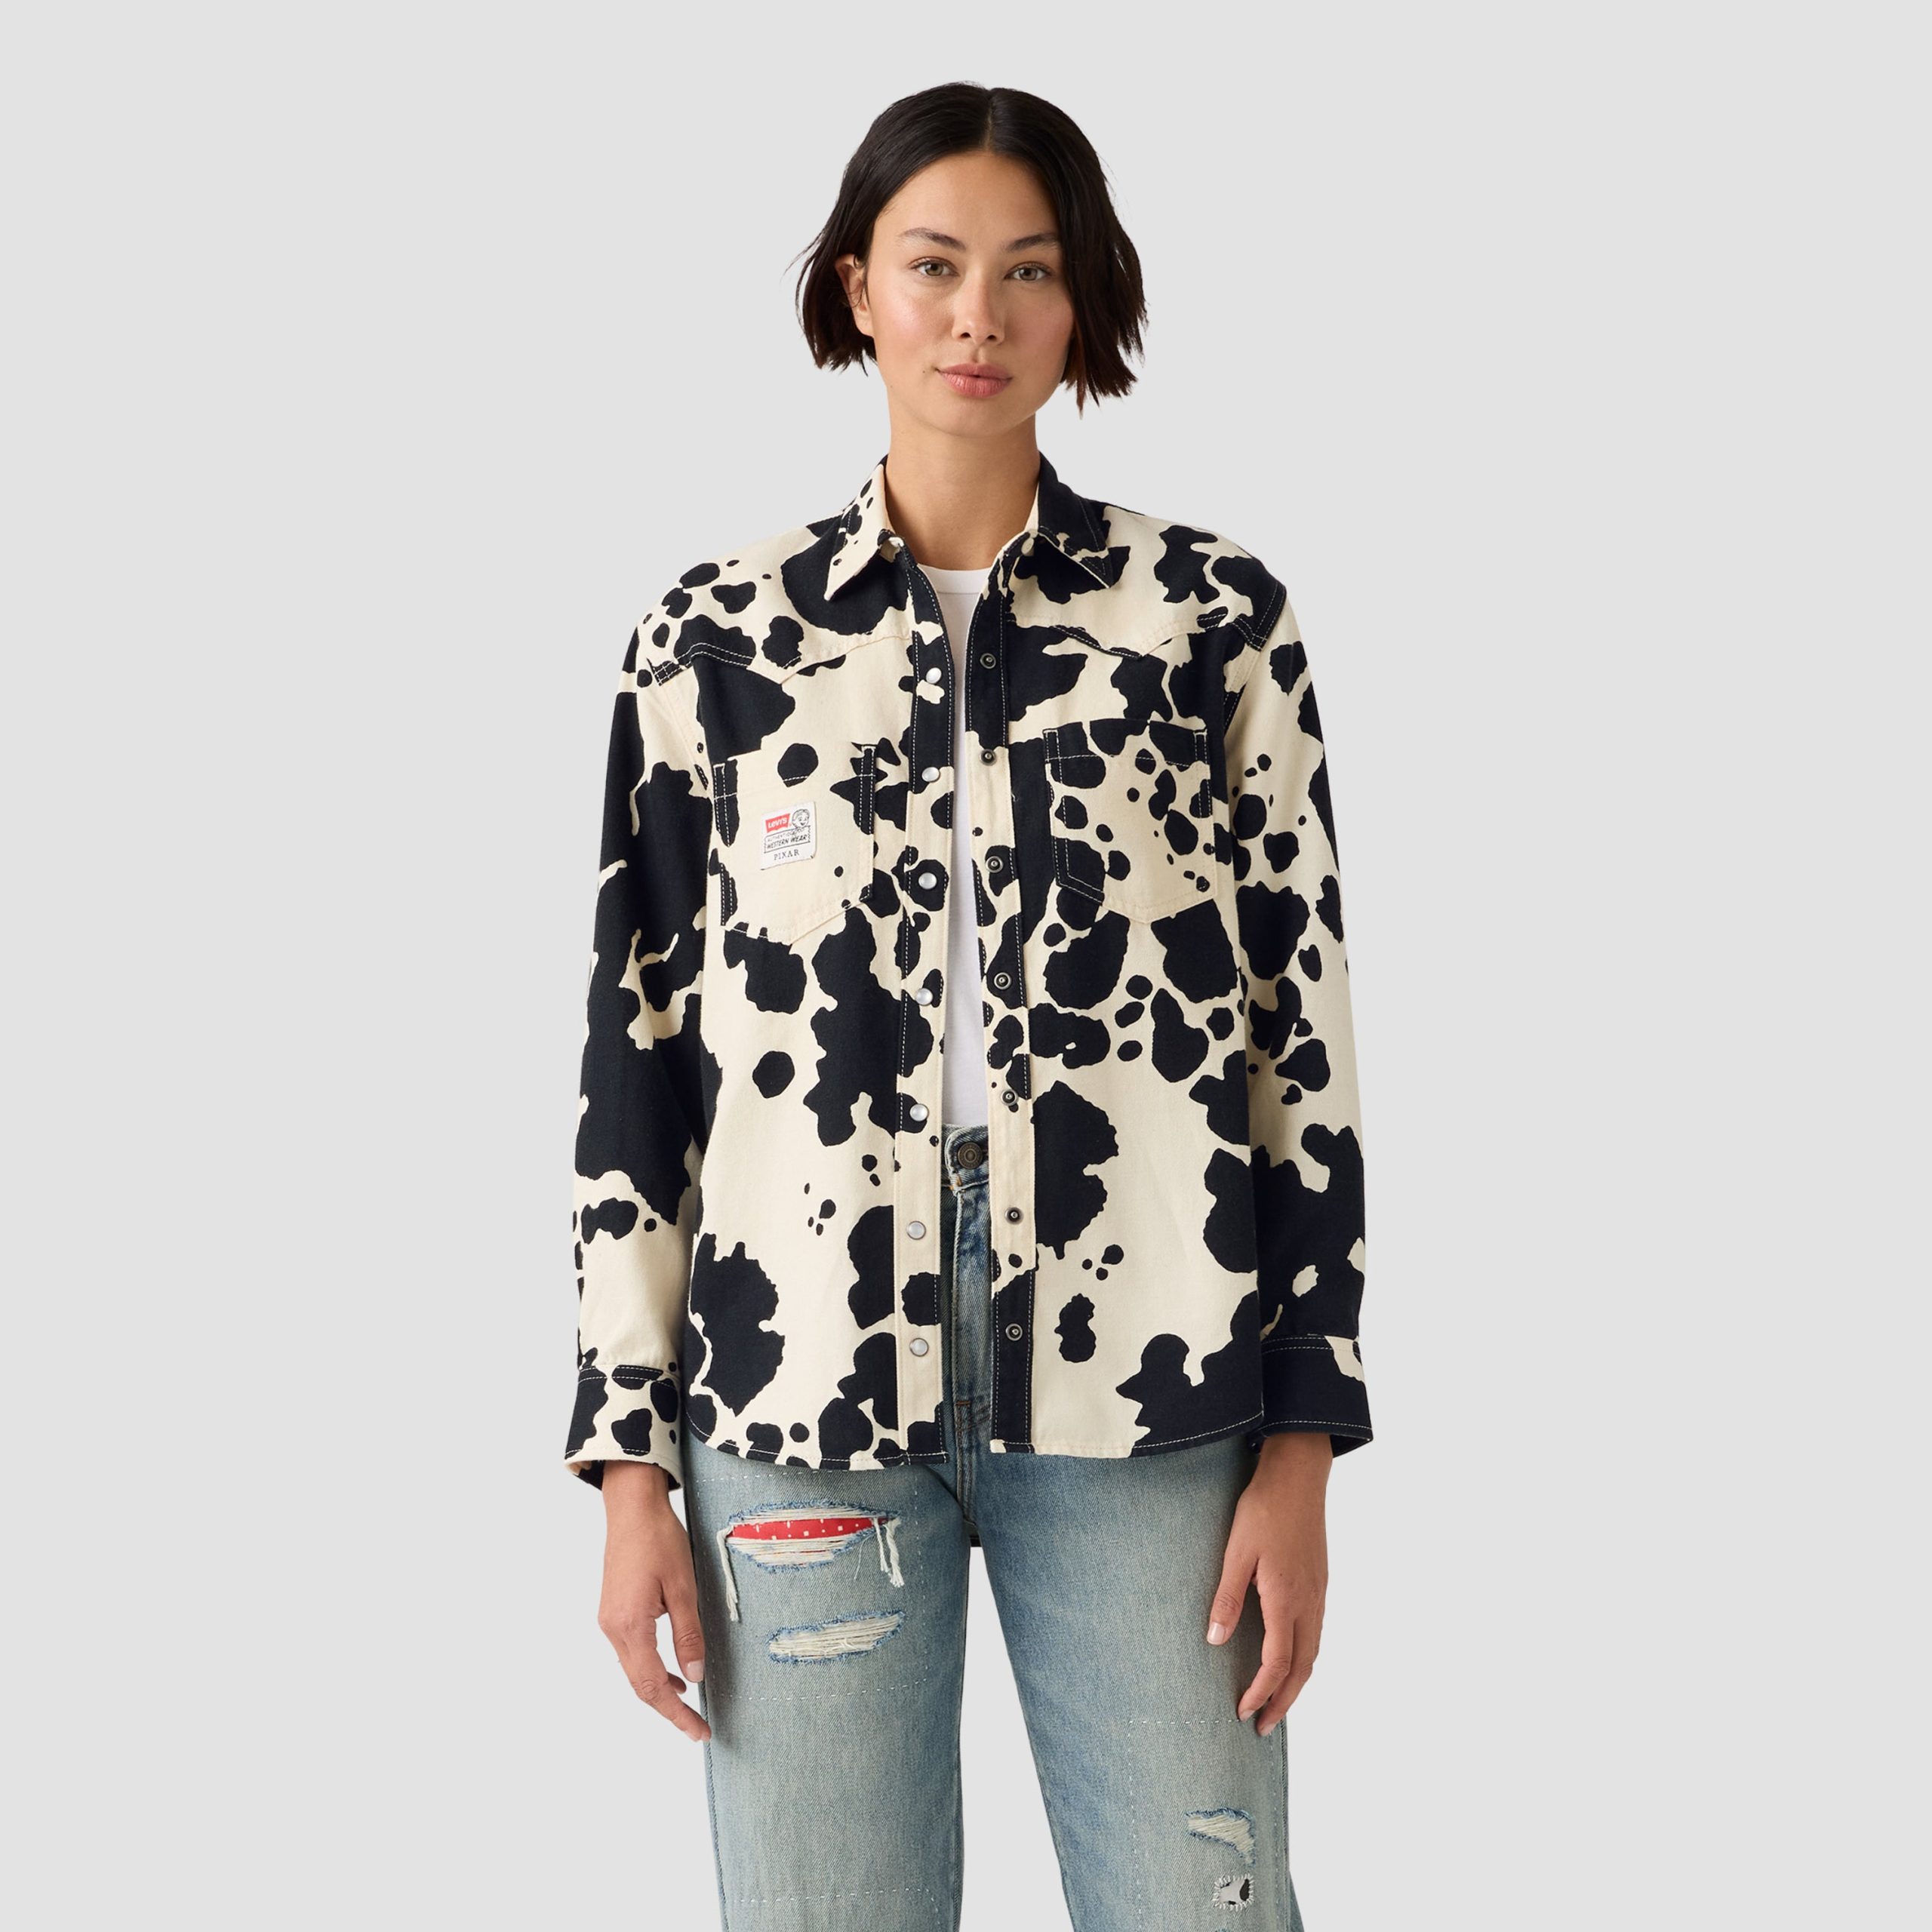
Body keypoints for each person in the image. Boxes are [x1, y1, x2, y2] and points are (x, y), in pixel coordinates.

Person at [563, 81, 1372, 1932]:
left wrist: (1305, 1433)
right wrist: (625, 1462)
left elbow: (1297, 1048)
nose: (977, 316)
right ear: (858, 288)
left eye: (1028, 270)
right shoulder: (716, 640)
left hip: (1156, 1379)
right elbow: (636, 1060)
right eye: (931, 266)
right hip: (797, 1389)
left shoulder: (1207, 622)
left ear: (1082, 301)